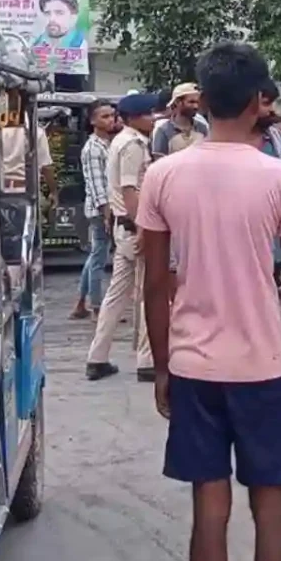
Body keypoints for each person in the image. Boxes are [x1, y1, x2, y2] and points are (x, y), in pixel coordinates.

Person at [137, 41, 281, 561]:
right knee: (271, 508)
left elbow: (155, 285)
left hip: (195, 366)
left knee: (210, 506)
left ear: (201, 101)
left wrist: (161, 367)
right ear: (259, 100)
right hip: (263, 368)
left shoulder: (164, 175)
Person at [85, 93, 158, 381]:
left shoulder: (121, 141)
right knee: (148, 293)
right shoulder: (133, 144)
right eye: (148, 114)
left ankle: (97, 357)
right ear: (134, 118)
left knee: (116, 295)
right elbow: (131, 189)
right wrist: (143, 229)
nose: (152, 119)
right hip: (133, 226)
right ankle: (146, 361)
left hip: (122, 226)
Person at [70, 99, 118, 321]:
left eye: (111, 116)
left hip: (106, 207)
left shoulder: (107, 144)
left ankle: (82, 302)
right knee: (99, 257)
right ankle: (97, 307)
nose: (110, 120)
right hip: (101, 209)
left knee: (96, 255)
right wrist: (107, 212)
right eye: (104, 116)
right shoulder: (93, 149)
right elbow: (98, 185)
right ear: (93, 121)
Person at [152, 83, 209, 159]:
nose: (196, 106)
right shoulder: (163, 131)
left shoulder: (202, 128)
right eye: (191, 102)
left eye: (197, 102)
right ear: (178, 102)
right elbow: (159, 161)